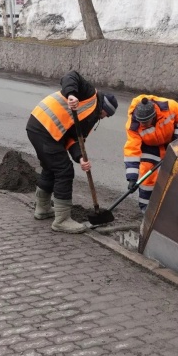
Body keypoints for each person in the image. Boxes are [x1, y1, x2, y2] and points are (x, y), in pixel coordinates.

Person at [26, 71, 118, 234]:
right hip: (43, 127)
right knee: (64, 169)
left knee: (51, 167)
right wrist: (71, 95)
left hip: (44, 129)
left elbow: (74, 139)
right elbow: (70, 76)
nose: (105, 118)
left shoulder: (90, 119)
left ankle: (43, 209)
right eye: (107, 114)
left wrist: (80, 158)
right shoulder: (89, 94)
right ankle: (62, 220)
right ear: (104, 108)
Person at [123, 95, 178, 213]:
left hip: (171, 141)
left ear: (153, 116)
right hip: (149, 146)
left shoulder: (170, 106)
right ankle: (146, 209)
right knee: (147, 176)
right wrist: (132, 179)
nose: (142, 125)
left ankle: (172, 208)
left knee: (175, 173)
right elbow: (132, 150)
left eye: (145, 122)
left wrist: (176, 142)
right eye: (140, 122)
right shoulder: (133, 126)